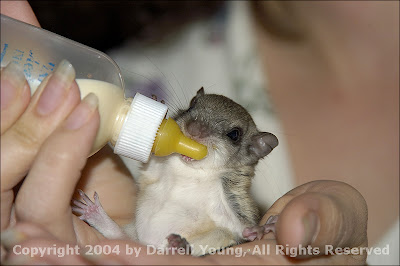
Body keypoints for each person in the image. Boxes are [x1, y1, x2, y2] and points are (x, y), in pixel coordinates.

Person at [1, 1, 398, 265]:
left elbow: (239, 220)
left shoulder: (229, 182)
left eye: (227, 136)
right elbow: (147, 184)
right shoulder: (132, 74)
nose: (194, 127)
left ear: (252, 152)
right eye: (193, 111)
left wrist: (253, 231)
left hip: (191, 242)